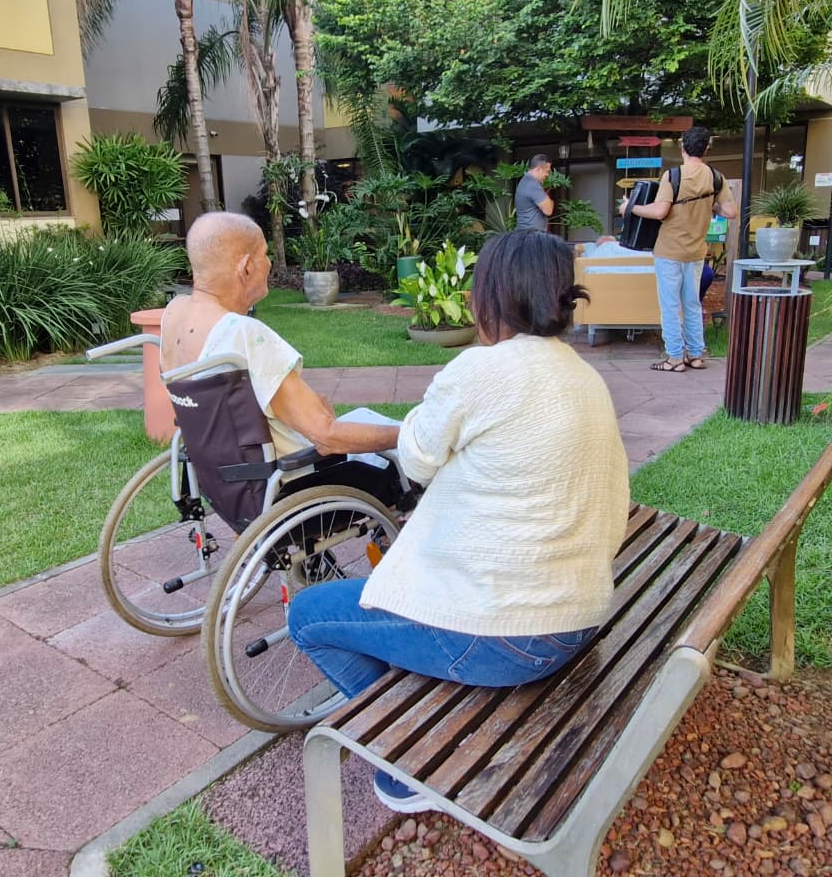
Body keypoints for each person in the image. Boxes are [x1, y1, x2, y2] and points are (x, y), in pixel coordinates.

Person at [287, 229, 631, 813]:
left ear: (487, 297)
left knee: (307, 614)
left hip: (508, 637)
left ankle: (407, 751)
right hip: (579, 616)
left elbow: (417, 460)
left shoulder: (479, 370)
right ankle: (424, 703)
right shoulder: (584, 376)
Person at [160, 212, 398, 457]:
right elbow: (327, 437)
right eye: (264, 254)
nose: (269, 263)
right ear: (246, 268)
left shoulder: (174, 314)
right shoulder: (244, 335)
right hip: (298, 477)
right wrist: (410, 435)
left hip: (227, 478)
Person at [621, 126, 737, 372]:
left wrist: (631, 208)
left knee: (671, 307)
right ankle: (695, 355)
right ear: (706, 148)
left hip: (669, 251)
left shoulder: (673, 176)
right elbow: (731, 212)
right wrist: (709, 205)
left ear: (683, 147)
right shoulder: (716, 177)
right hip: (696, 252)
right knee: (692, 304)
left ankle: (674, 358)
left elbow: (660, 211)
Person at [514, 154, 554, 231]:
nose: (547, 174)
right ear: (538, 169)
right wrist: (551, 202)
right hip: (530, 236)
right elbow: (548, 210)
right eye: (547, 171)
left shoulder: (526, 181)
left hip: (525, 234)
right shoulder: (532, 184)